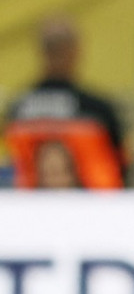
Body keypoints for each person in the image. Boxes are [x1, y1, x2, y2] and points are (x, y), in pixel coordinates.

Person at [6, 15, 127, 182]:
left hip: (31, 205)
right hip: (92, 205)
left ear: (40, 52)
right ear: (76, 52)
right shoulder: (98, 109)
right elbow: (123, 167)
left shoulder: (18, 108)